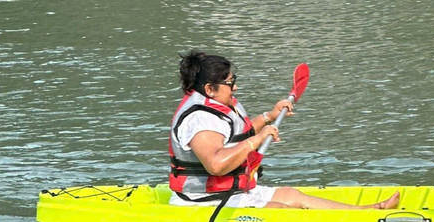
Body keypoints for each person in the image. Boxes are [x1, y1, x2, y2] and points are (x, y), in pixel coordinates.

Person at [169, 50, 399, 210]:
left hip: (230, 193)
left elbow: (238, 134)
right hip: (201, 200)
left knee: (293, 196)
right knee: (281, 208)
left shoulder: (221, 103)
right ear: (209, 88)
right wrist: (258, 140)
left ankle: (371, 210)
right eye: (230, 83)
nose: (235, 86)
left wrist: (269, 117)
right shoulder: (199, 118)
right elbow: (216, 165)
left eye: (233, 79)